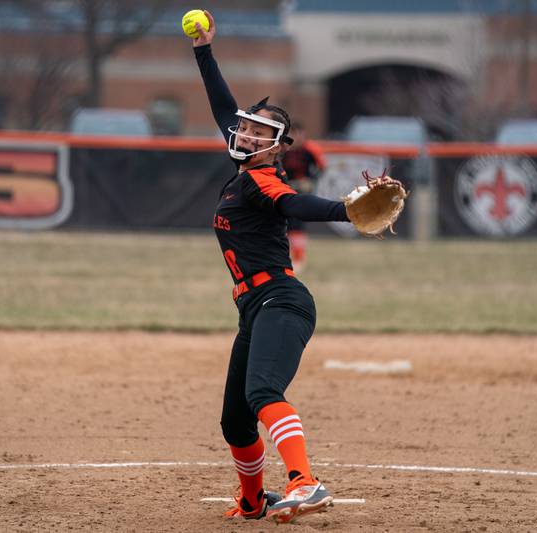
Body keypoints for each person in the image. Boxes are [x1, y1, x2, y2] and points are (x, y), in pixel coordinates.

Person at [190, 11, 350, 524]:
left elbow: (295, 205)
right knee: (236, 421)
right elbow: (221, 107)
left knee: (262, 393)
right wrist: (204, 51)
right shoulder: (244, 169)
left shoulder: (264, 180)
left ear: (277, 148)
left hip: (282, 300)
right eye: (246, 128)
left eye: (259, 133)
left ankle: (305, 481)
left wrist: (344, 210)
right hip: (254, 309)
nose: (245, 134)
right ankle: (253, 499)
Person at [281, 122, 327, 272]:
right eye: (292, 133)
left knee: (296, 225)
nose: (296, 137)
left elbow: (321, 168)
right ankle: (283, 258)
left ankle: (299, 258)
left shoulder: (310, 149)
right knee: (282, 225)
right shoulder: (281, 150)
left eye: (298, 133)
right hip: (283, 190)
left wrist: (310, 181)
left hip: (301, 192)